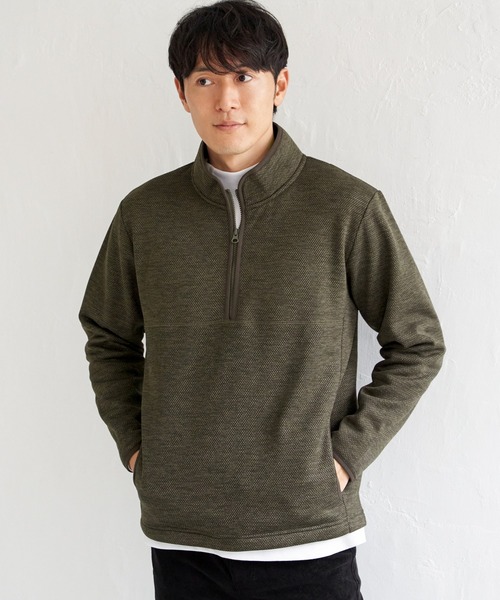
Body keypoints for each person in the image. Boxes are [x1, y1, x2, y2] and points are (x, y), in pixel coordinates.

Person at [79, 1, 446, 598]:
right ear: (181, 92)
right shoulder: (144, 214)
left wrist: (343, 457)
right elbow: (108, 336)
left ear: (280, 85)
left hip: (307, 533)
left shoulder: (346, 207)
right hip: (183, 535)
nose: (226, 100)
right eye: (205, 79)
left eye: (244, 76)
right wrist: (138, 451)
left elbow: (418, 344)